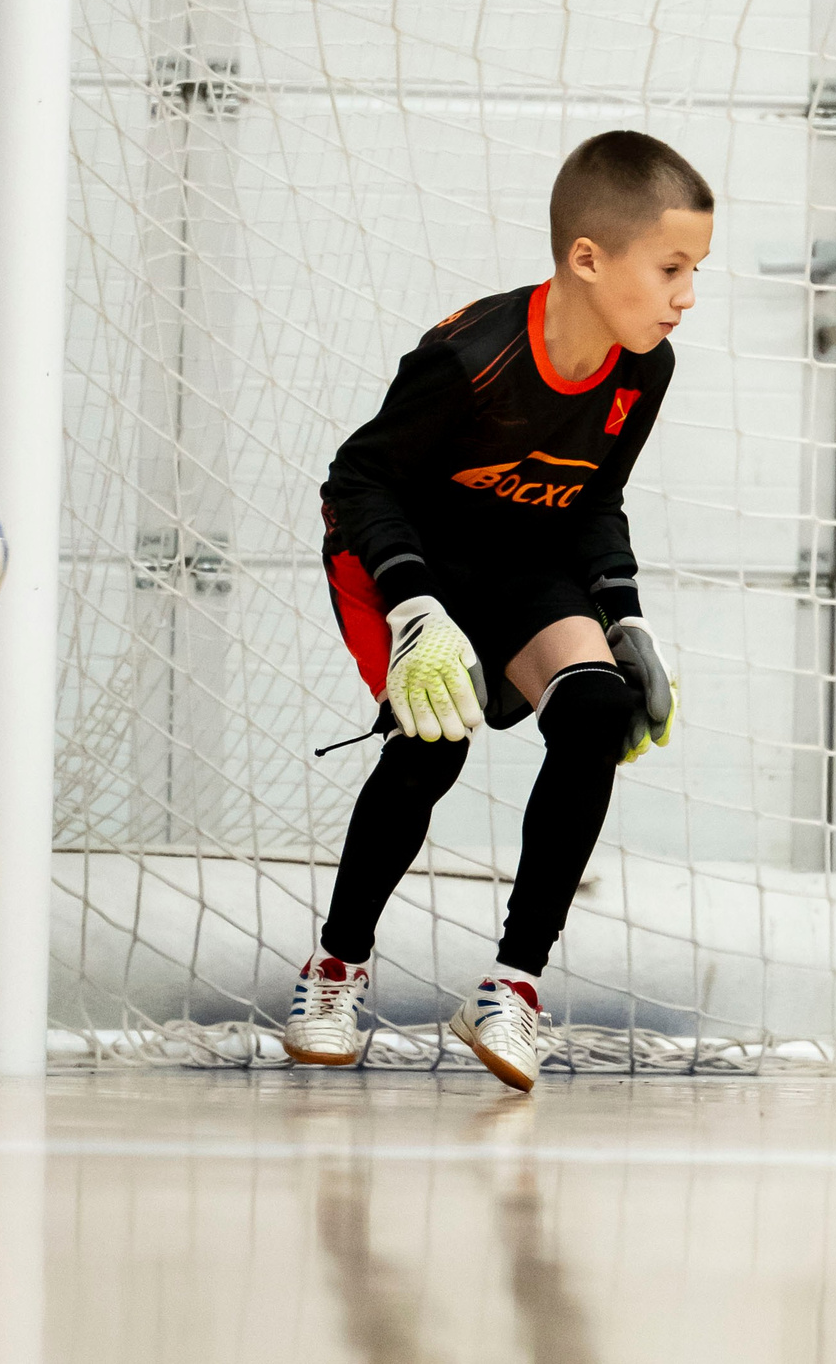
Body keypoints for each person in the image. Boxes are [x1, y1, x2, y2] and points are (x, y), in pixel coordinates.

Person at [288, 131, 709, 1090]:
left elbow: (594, 501)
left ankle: (512, 984)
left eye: (697, 270)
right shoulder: (470, 356)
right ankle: (336, 966)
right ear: (588, 258)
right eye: (674, 268)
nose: (689, 294)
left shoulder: (645, 367)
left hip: (522, 559)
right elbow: (356, 479)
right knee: (434, 743)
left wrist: (626, 616)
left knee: (598, 712)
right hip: (405, 563)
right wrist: (412, 608)